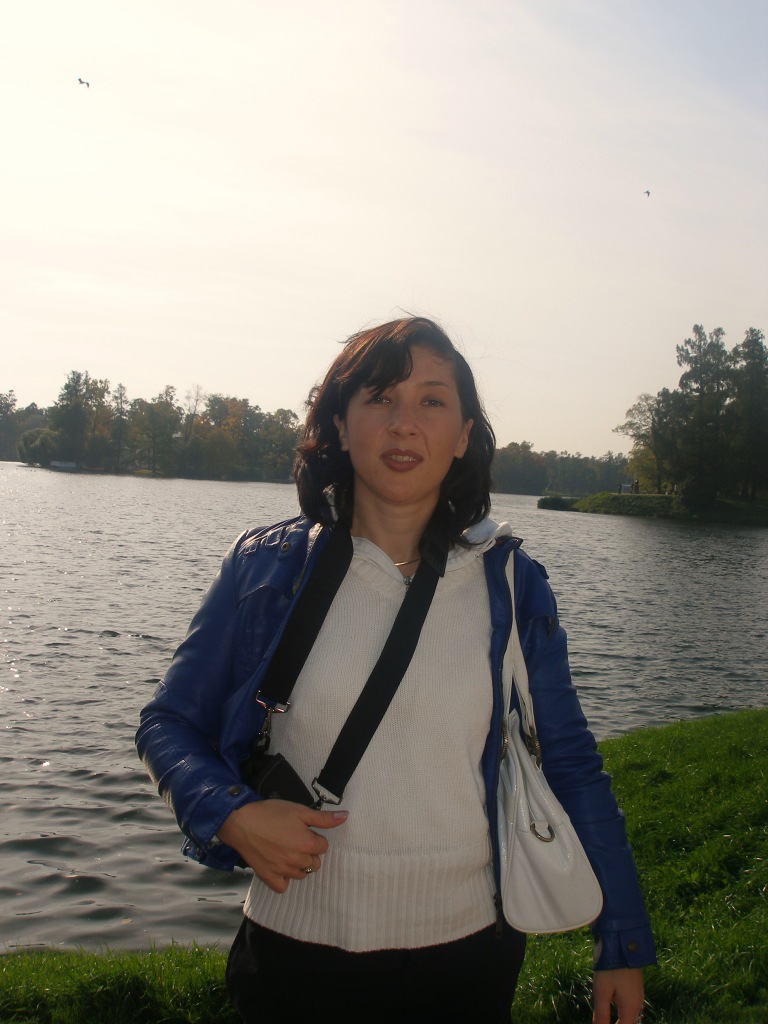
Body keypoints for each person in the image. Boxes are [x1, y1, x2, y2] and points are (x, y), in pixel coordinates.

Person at [136, 316, 655, 1024]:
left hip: (468, 960)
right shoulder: (266, 569)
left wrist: (621, 936)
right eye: (380, 397)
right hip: (294, 955)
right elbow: (169, 723)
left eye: (431, 400)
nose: (404, 423)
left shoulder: (511, 583)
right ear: (340, 426)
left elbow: (569, 759)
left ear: (463, 434)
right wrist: (229, 814)